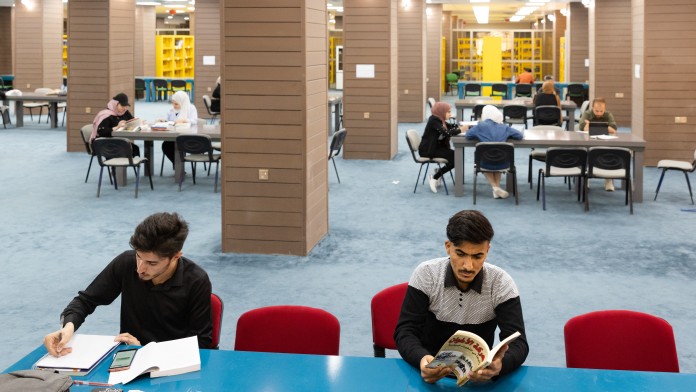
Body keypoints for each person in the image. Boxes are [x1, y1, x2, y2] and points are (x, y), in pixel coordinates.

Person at [43, 212, 213, 356]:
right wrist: (68, 327)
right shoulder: (126, 262)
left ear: (176, 256)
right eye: (139, 256)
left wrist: (145, 351)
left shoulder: (197, 280)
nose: (140, 269)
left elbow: (201, 345)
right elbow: (85, 301)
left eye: (151, 263)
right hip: (129, 360)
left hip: (173, 365)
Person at [394, 210, 528, 385]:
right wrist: (422, 359)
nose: (468, 266)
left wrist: (499, 366)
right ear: (448, 247)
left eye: (478, 256)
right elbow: (405, 331)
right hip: (427, 374)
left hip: (477, 379)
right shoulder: (426, 274)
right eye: (460, 254)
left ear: (487, 250)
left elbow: (519, 343)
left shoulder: (501, 283)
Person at [463, 105, 524, 199]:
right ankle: (497, 189)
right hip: (503, 163)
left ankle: (495, 188)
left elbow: (468, 135)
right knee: (497, 155)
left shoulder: (480, 126)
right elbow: (519, 135)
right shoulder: (504, 127)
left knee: (487, 156)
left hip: (484, 163)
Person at [419, 102, 462, 194]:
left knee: (457, 156)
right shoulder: (434, 121)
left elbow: (451, 127)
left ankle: (438, 173)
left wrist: (463, 126)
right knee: (457, 158)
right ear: (442, 112)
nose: (450, 114)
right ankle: (435, 177)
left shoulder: (440, 120)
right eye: (448, 112)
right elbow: (447, 133)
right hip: (427, 150)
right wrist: (461, 129)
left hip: (436, 147)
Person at [579, 97, 618, 191]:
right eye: (597, 111)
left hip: (604, 142)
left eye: (601, 111)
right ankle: (586, 178)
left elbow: (614, 129)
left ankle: (608, 180)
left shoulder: (608, 114)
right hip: (588, 142)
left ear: (605, 109)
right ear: (592, 108)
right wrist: (604, 127)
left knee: (609, 154)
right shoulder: (587, 113)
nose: (599, 113)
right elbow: (581, 127)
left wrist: (592, 125)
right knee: (586, 154)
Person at [161, 91, 199, 167]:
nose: (174, 106)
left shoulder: (191, 108)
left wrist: (185, 120)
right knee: (165, 145)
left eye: (176, 104)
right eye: (173, 103)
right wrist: (163, 121)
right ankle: (177, 164)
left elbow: (195, 121)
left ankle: (178, 166)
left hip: (187, 136)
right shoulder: (171, 111)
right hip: (173, 136)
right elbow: (167, 121)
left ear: (182, 102)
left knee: (178, 145)